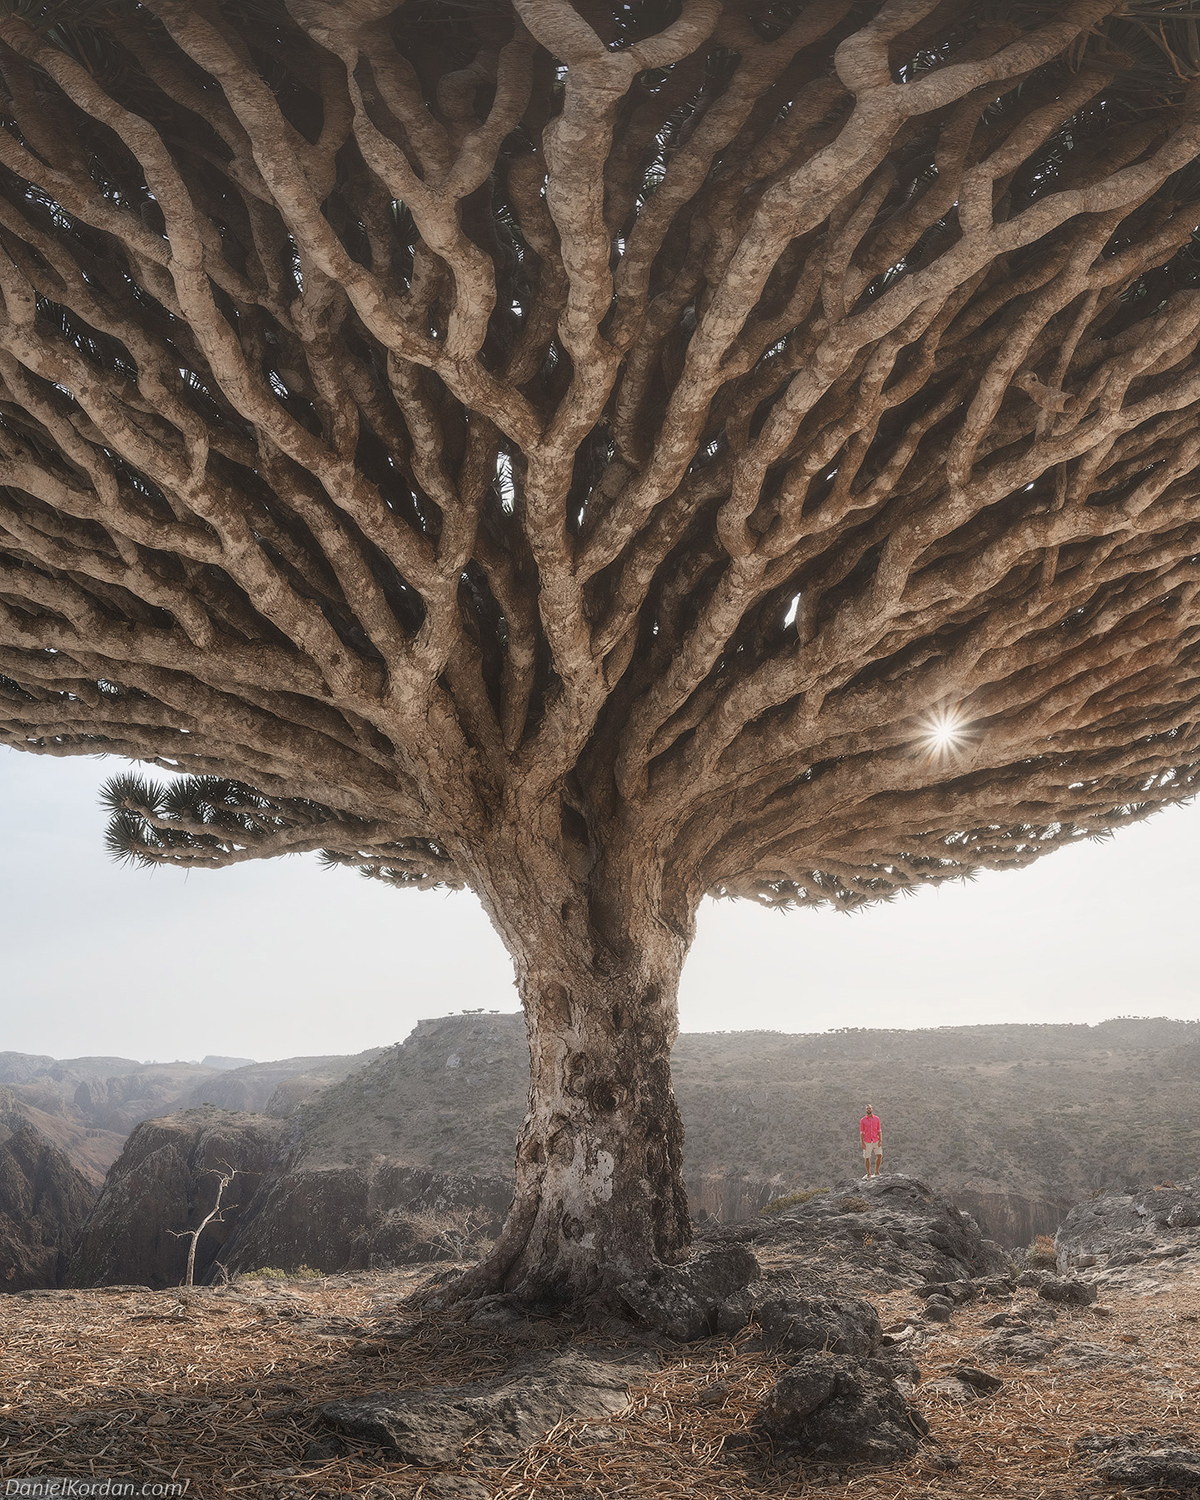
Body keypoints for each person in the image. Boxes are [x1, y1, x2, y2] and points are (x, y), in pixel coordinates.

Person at [860, 1106, 883, 1178]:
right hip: (867, 1141)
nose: (868, 1109)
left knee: (879, 1155)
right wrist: (862, 1143)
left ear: (872, 1109)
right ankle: (869, 1173)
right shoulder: (863, 1120)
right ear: (865, 1110)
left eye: (869, 1108)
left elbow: (879, 1130)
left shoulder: (877, 1119)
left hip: (876, 1140)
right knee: (867, 1157)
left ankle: (877, 1171)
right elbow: (861, 1132)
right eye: (867, 1108)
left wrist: (880, 1141)